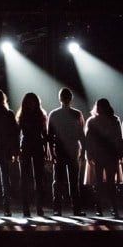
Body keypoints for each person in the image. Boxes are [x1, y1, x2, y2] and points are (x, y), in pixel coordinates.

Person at [48, 88, 86, 216]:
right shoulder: (76, 114)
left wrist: (51, 153)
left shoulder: (54, 114)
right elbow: (81, 135)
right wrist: (83, 151)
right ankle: (75, 209)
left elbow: (50, 137)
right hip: (71, 150)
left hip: (62, 150)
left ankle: (57, 209)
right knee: (71, 182)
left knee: (59, 181)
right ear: (70, 98)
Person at [85, 98, 123, 216]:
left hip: (104, 154)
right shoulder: (113, 120)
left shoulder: (93, 121)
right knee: (105, 183)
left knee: (103, 183)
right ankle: (110, 208)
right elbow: (88, 140)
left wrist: (89, 153)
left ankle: (103, 208)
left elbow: (88, 139)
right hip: (105, 155)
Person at [17, 93, 48, 217]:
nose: (31, 104)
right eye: (29, 101)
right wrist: (16, 149)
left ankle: (38, 208)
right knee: (26, 179)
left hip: (34, 147)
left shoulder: (37, 116)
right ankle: (27, 208)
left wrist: (46, 149)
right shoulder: (28, 115)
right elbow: (17, 133)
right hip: (28, 147)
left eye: (32, 101)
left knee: (38, 179)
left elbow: (45, 134)